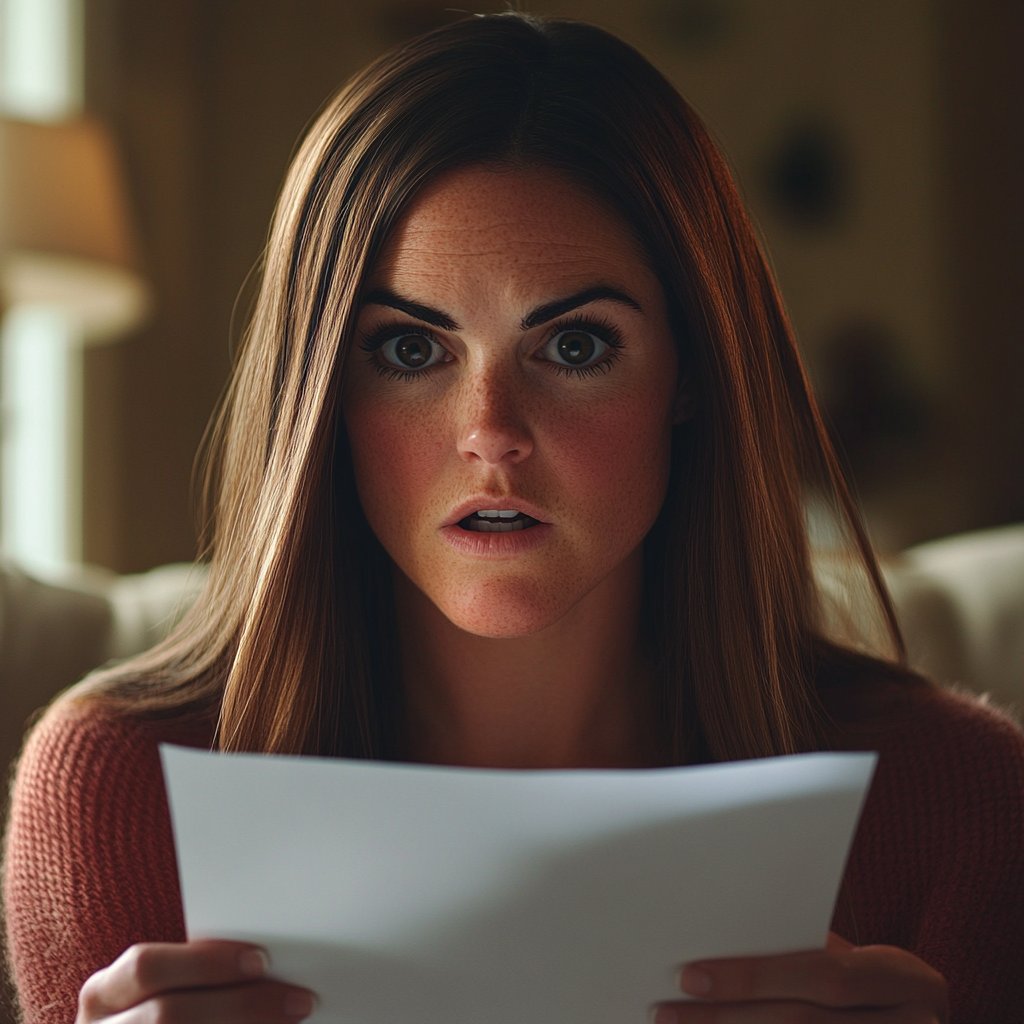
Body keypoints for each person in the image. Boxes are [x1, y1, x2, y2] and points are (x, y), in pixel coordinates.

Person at [3, 12, 1022, 1024]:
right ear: (319, 396)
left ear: (692, 372)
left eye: (574, 347)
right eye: (410, 350)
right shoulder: (119, 794)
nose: (490, 433)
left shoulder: (955, 799)